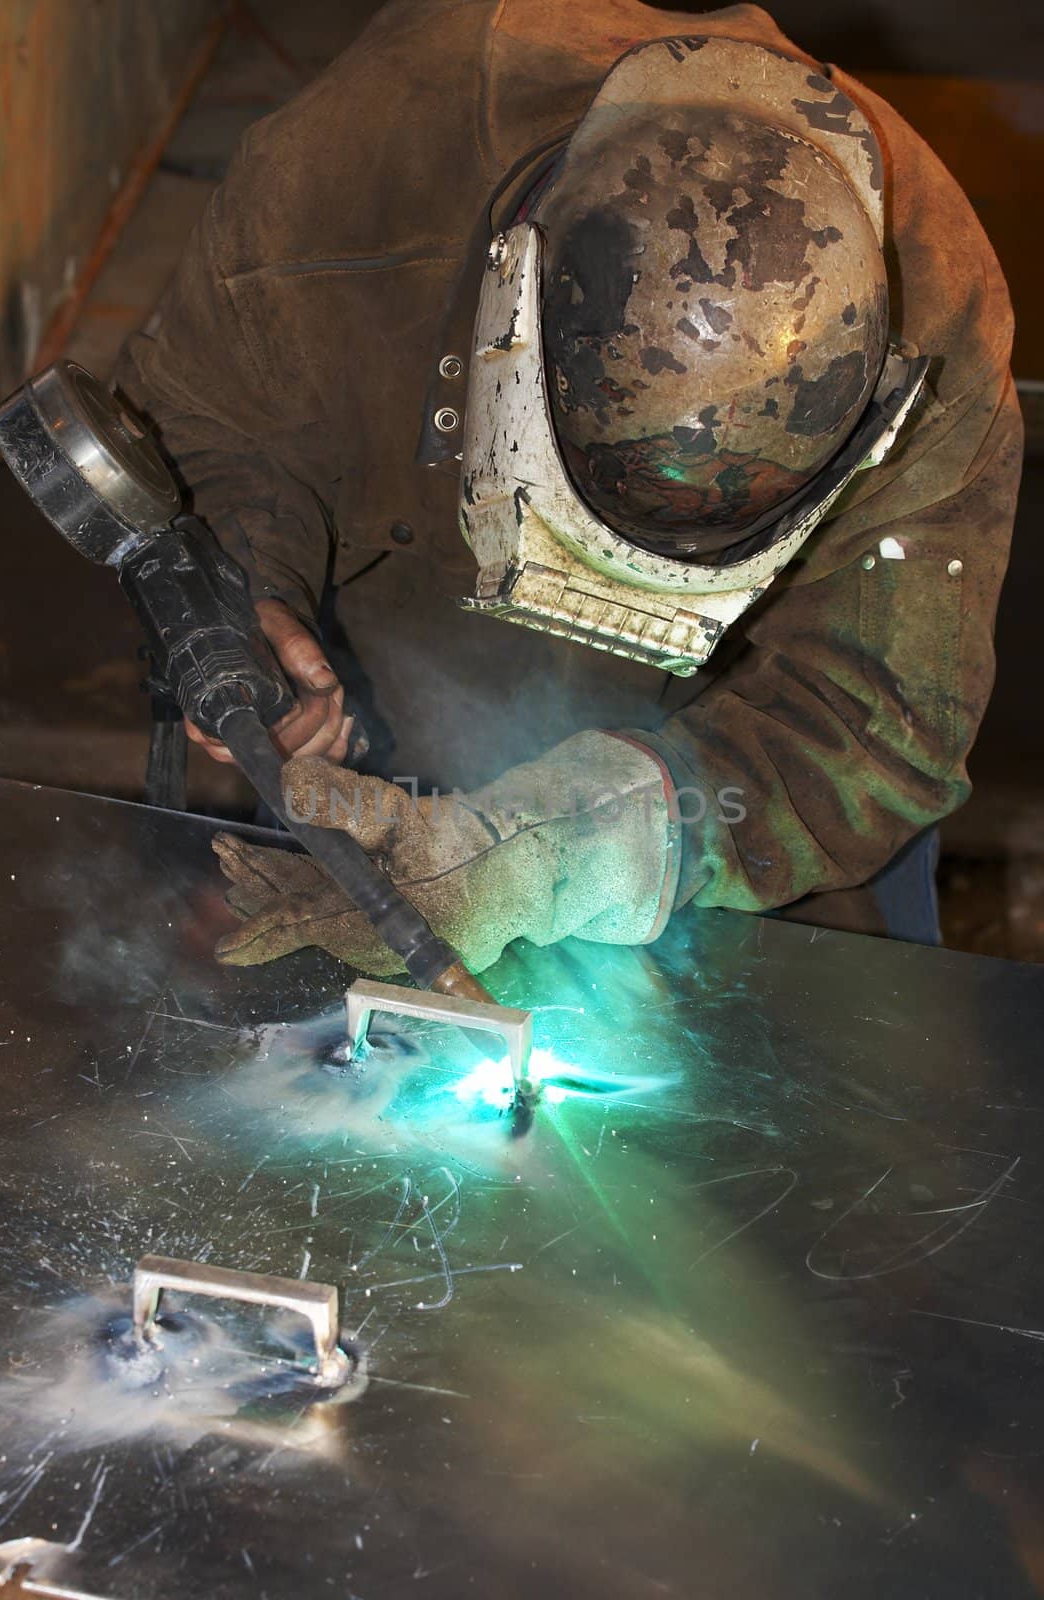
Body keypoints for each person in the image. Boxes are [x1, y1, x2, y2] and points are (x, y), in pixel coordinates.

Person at [115, 0, 1022, 977]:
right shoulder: (334, 192)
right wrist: (253, 590)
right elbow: (208, 434)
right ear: (512, 320)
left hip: (717, 768)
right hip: (390, 689)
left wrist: (543, 852)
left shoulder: (936, 322)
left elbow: (875, 725)